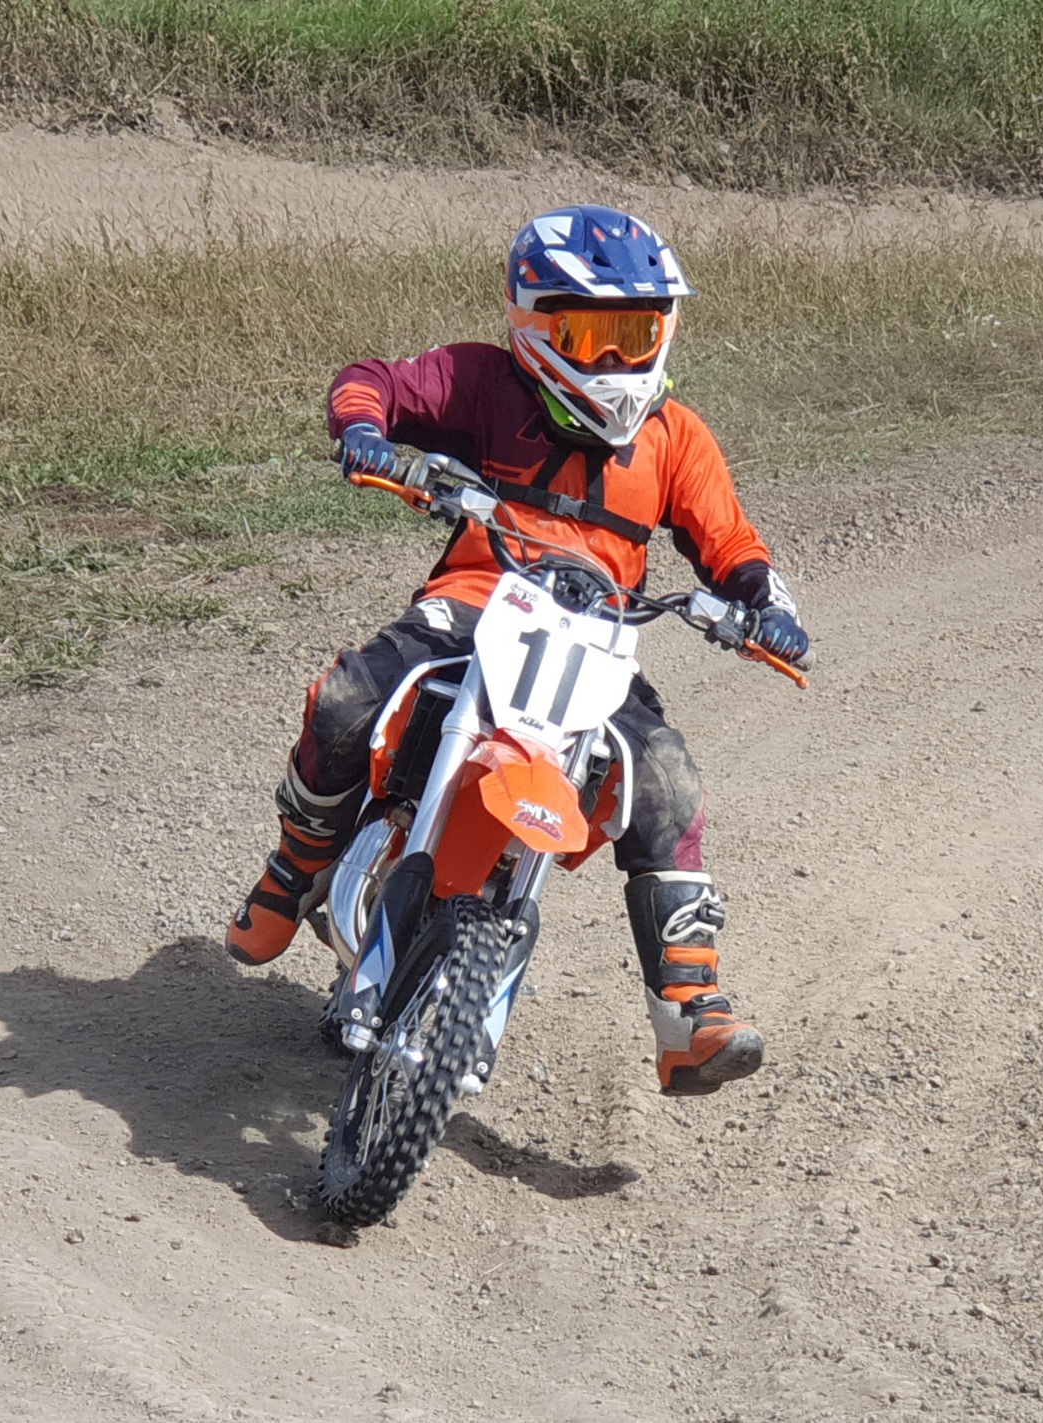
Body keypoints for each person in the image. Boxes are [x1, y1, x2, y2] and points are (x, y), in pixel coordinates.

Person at [225, 205, 810, 1097]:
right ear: (534, 325)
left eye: (634, 335)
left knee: (666, 780)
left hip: (597, 636)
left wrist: (764, 605)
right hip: (475, 600)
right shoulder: (482, 382)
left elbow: (732, 544)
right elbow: (373, 382)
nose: (613, 361)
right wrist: (367, 436)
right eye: (589, 335)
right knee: (348, 701)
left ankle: (689, 1011)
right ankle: (293, 868)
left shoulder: (674, 437)